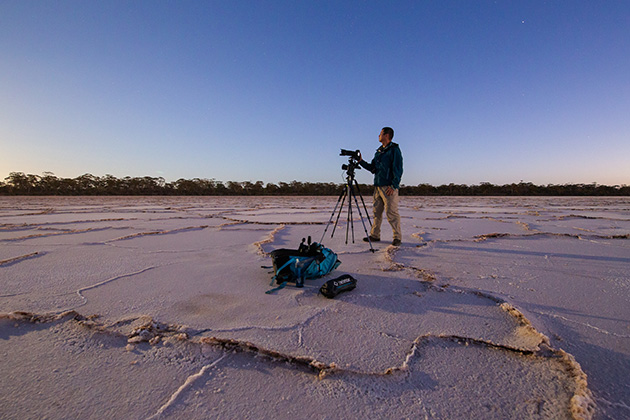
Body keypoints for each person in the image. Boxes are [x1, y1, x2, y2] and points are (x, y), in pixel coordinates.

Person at [358, 127, 403, 246]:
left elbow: (398, 169)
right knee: (376, 213)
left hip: (388, 187)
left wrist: (394, 185)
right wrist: (361, 161)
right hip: (378, 187)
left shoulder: (394, 150)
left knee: (391, 213)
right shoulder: (378, 152)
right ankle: (375, 235)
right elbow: (373, 168)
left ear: (387, 135)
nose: (378, 135)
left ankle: (397, 237)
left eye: (381, 134)